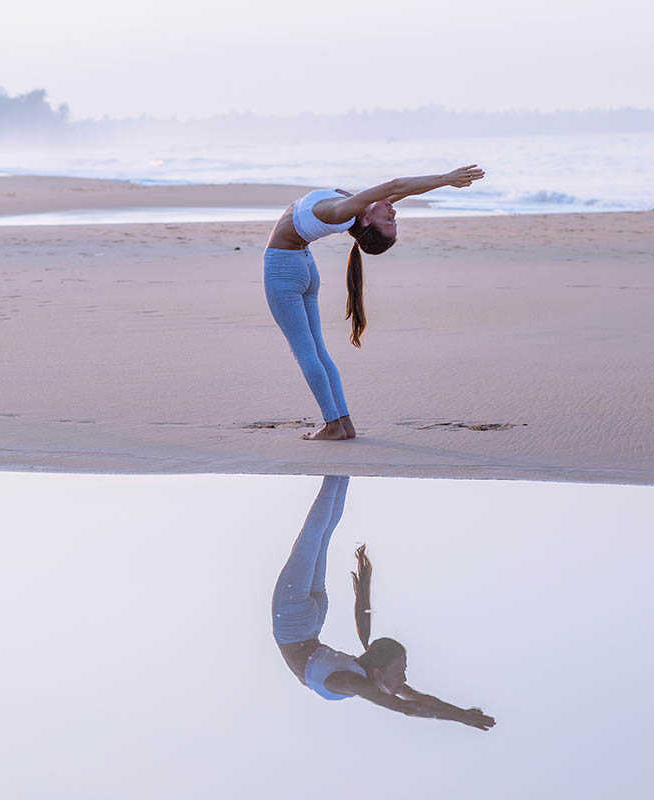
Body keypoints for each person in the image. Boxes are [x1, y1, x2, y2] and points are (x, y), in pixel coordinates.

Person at [264, 165, 485, 440]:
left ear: (368, 223)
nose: (394, 212)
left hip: (283, 267)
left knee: (306, 351)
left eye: (390, 221)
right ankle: (343, 423)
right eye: (393, 219)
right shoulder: (357, 209)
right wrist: (442, 182)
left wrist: (445, 180)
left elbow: (394, 185)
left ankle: (334, 425)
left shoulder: (344, 211)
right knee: (317, 350)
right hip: (303, 266)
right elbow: (398, 192)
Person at [272, 475, 495, 730]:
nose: (405, 679)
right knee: (319, 538)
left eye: (400, 672)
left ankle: (338, 468)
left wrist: (461, 717)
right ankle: (340, 471)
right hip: (303, 625)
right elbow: (418, 698)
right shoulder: (367, 675)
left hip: (294, 619)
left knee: (314, 537)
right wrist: (460, 713)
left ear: (379, 672)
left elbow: (408, 707)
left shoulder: (355, 682)